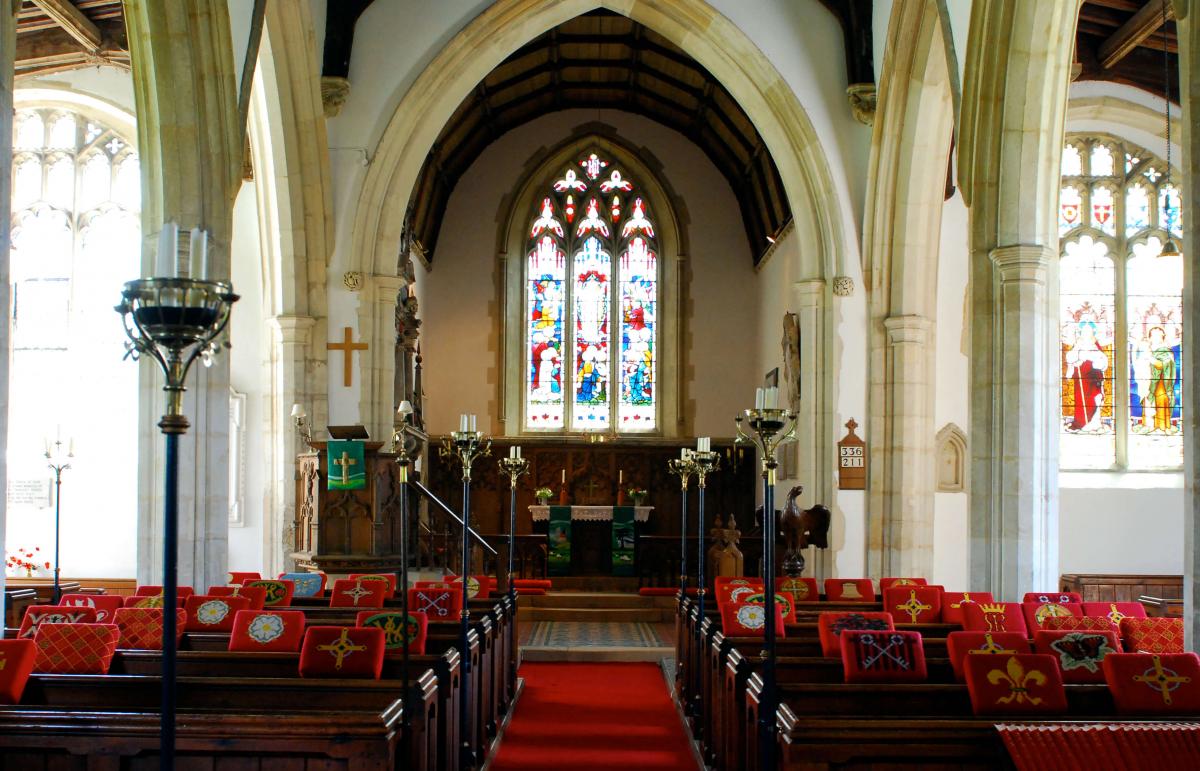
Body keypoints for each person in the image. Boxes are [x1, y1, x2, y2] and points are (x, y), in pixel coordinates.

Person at [1065, 321, 1108, 431]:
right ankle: (1081, 422)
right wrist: (1077, 358)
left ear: (1093, 332)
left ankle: (1094, 423)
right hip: (1081, 378)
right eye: (1084, 331)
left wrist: (1089, 357)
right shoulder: (1078, 345)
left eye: (1089, 331)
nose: (1086, 333)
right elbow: (1070, 357)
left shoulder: (1095, 345)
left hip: (1094, 377)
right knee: (1081, 399)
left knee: (1095, 398)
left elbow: (1103, 360)